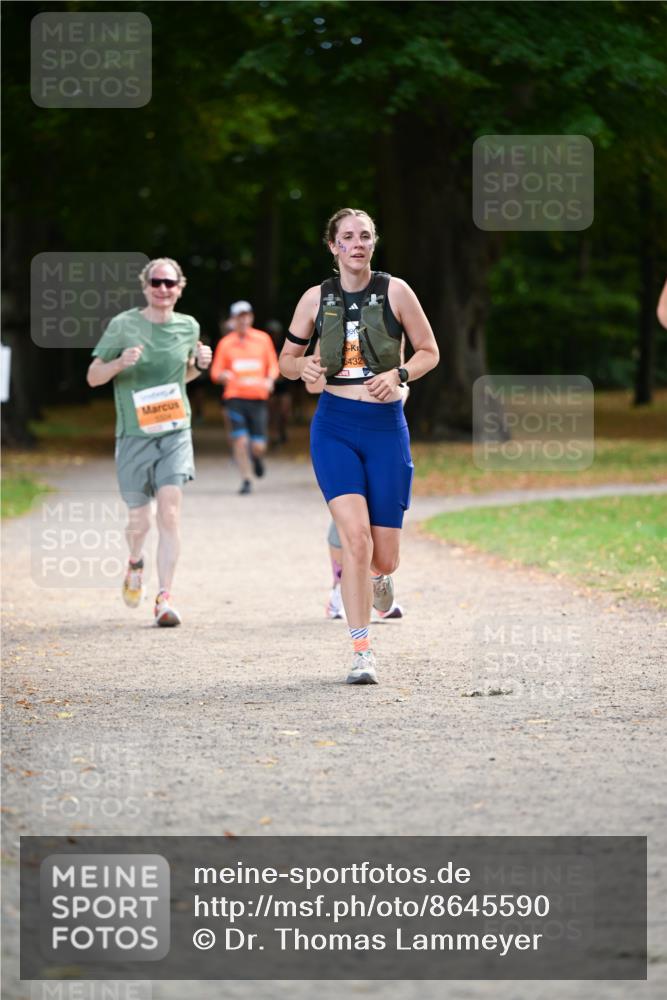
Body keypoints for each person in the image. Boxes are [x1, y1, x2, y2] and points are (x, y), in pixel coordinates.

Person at [279, 208, 439, 684]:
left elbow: (429, 351)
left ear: (373, 243)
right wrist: (302, 368)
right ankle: (361, 651)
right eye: (347, 237)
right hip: (334, 427)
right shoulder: (315, 299)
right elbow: (286, 359)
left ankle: (379, 577)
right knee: (355, 537)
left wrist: (401, 374)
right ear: (333, 246)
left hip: (386, 427)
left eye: (365, 236)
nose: (357, 243)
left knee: (382, 556)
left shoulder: (396, 291)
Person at [86, 257, 212, 626]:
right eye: (156, 282)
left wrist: (200, 366)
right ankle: (135, 560)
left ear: (179, 287)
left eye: (169, 283)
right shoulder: (123, 325)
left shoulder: (188, 326)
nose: (162, 289)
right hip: (133, 435)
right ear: (145, 287)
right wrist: (120, 363)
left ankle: (164, 597)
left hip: (174, 430)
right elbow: (93, 376)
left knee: (170, 513)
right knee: (140, 520)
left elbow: (181, 377)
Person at [210, 300, 280, 494]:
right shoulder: (225, 343)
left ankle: (257, 457)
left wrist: (270, 379)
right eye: (239, 317)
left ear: (251, 317)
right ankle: (246, 480)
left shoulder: (263, 339)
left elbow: (273, 365)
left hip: (258, 398)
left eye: (246, 316)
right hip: (235, 398)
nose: (243, 320)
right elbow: (215, 372)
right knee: (239, 440)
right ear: (233, 320)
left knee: (258, 445)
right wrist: (222, 375)